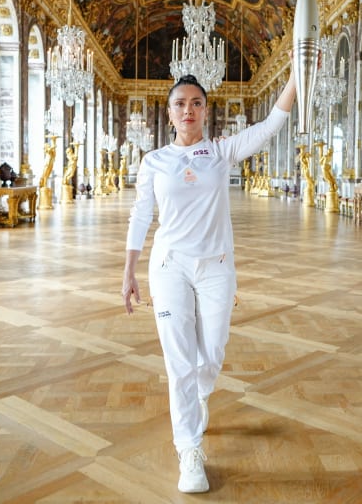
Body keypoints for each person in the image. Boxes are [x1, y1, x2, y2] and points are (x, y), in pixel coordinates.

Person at [122, 71, 297, 493]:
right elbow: (141, 215)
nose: (188, 110)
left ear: (206, 111)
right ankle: (190, 451)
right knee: (179, 361)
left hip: (217, 266)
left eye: (196, 103)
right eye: (180, 104)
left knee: (211, 354)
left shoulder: (221, 152)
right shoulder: (154, 162)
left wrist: (297, 73)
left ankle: (201, 393)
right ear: (169, 114)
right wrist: (128, 270)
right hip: (169, 267)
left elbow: (272, 124)